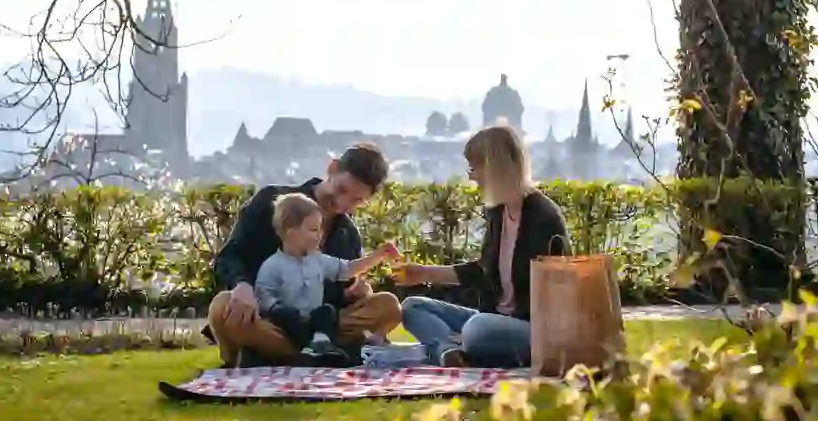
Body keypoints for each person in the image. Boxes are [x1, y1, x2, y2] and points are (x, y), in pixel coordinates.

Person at [206, 143, 402, 367]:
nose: (342, 203)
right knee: (222, 307)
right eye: (341, 189)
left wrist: (354, 294)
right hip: (269, 319)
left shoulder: (348, 235)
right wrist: (242, 286)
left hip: (318, 327)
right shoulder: (272, 202)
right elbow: (229, 256)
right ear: (332, 168)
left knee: (388, 306)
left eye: (356, 200)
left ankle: (283, 355)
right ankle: (315, 356)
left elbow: (336, 298)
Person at [392, 125, 571, 368]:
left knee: (477, 328)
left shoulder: (543, 217)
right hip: (493, 319)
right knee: (413, 307)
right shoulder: (499, 212)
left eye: (474, 168)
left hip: (534, 330)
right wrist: (424, 273)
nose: (471, 176)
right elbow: (482, 270)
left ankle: (463, 345)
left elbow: (557, 289)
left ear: (495, 166)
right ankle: (449, 353)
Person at [255, 193, 401, 366]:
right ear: (292, 234)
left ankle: (320, 344)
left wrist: (377, 256)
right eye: (313, 230)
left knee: (327, 312)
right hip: (288, 324)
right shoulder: (273, 265)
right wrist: (276, 308)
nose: (319, 235)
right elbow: (263, 294)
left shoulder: (318, 260)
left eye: (320, 229)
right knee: (285, 317)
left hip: (316, 321)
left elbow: (347, 269)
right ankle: (308, 351)